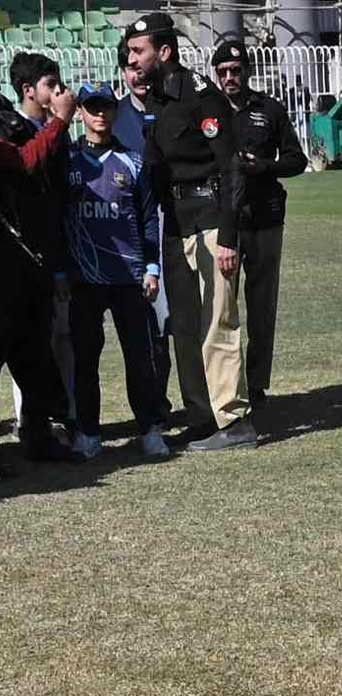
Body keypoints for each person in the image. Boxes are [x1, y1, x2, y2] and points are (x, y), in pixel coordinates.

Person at [124, 13, 256, 451]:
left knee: (218, 321)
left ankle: (233, 420)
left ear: (164, 52)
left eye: (139, 51)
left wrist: (230, 237)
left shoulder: (203, 97)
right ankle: (201, 418)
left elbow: (231, 167)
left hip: (212, 219)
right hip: (176, 223)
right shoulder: (157, 100)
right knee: (182, 325)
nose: (132, 59)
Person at [62, 82, 167, 459]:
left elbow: (148, 218)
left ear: (114, 110)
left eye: (105, 106)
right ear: (80, 112)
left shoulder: (133, 162)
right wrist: (61, 272)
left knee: (139, 357)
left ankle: (150, 430)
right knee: (86, 358)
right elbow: (58, 218)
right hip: (84, 277)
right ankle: (89, 434)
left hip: (129, 275)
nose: (100, 114)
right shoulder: (67, 161)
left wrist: (152, 267)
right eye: (92, 107)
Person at [213, 40, 306, 407]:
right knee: (223, 307)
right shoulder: (209, 111)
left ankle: (256, 384)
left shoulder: (269, 109)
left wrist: (265, 166)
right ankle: (227, 385)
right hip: (226, 223)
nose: (229, 78)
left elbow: (297, 159)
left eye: (235, 71)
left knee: (262, 306)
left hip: (266, 219)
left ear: (247, 72)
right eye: (223, 72)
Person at [3, 55, 77, 461]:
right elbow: (25, 162)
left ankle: (40, 433)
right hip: (14, 258)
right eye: (50, 83)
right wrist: (60, 121)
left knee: (32, 347)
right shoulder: (14, 127)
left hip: (30, 258)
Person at [113, 40, 175, 426]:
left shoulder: (170, 108)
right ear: (123, 72)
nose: (137, 75)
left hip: (176, 217)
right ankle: (155, 404)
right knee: (150, 323)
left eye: (140, 67)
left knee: (178, 319)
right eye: (129, 68)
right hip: (135, 231)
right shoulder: (113, 117)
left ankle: (197, 404)